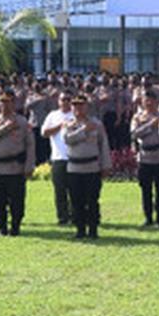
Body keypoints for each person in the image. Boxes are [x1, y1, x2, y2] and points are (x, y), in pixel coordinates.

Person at [0, 92, 36, 236]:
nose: (4, 105)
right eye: (2, 102)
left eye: (8, 102)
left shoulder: (22, 121)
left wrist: (29, 166)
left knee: (17, 201)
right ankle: (2, 227)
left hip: (15, 167)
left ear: (14, 103)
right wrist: (5, 128)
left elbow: (30, 145)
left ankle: (15, 226)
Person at [64, 94, 111, 240]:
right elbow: (68, 139)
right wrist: (84, 131)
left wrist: (105, 166)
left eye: (81, 105)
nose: (78, 108)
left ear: (87, 106)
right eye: (75, 105)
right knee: (76, 201)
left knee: (92, 200)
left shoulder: (96, 124)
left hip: (92, 167)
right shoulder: (68, 124)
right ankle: (80, 229)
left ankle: (93, 229)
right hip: (74, 168)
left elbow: (103, 145)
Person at [132, 87, 159, 227]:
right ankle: (148, 217)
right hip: (144, 156)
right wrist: (150, 125)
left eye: (152, 100)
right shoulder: (138, 118)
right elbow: (135, 134)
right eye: (146, 100)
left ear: (156, 102)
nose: (149, 103)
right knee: (145, 189)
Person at [40, 91, 74, 226]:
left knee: (74, 190)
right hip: (58, 158)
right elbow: (44, 133)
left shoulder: (75, 115)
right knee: (59, 190)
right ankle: (62, 217)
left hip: (73, 158)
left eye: (67, 99)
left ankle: (75, 216)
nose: (65, 102)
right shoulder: (53, 115)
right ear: (58, 101)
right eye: (62, 99)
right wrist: (59, 126)